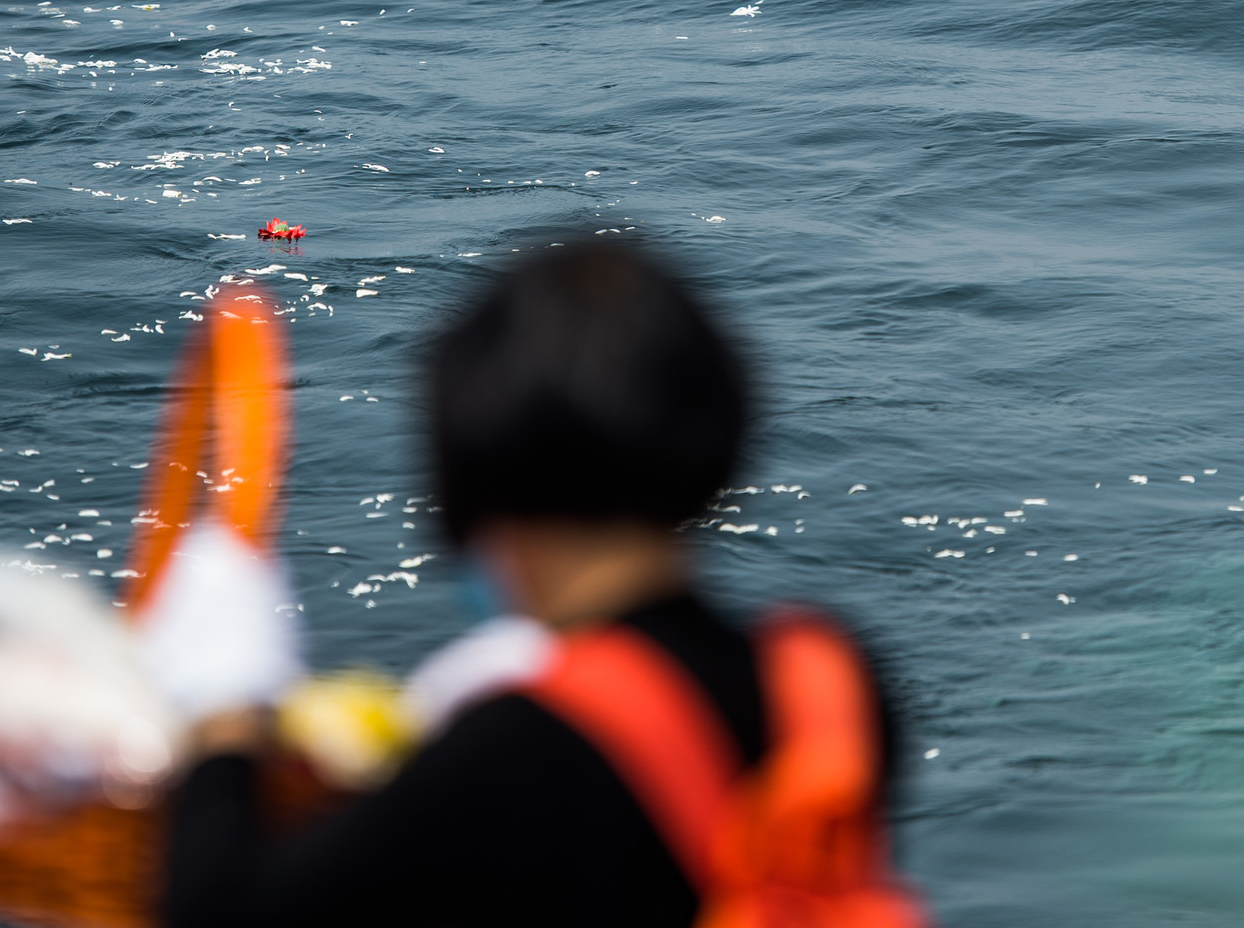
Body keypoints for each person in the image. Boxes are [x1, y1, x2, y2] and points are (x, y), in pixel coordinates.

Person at [164, 240, 912, 928]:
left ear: (475, 473)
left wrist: (227, 709)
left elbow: (224, 913)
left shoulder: (520, 745)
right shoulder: (832, 679)